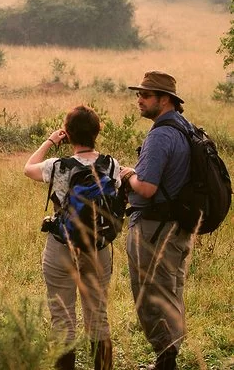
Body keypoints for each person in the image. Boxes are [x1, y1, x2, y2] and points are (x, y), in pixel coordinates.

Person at [24, 105, 119, 370]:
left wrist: (51, 141)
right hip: (98, 248)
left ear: (68, 134)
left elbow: (27, 168)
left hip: (61, 247)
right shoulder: (111, 165)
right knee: (98, 317)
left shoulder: (57, 167)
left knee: (62, 318)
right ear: (98, 131)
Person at [119, 71, 193, 370]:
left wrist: (128, 174)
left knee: (151, 295)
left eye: (145, 95)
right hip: (177, 226)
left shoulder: (161, 134)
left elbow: (147, 187)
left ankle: (166, 360)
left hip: (155, 229)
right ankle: (170, 354)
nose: (139, 100)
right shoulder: (186, 128)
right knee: (170, 290)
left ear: (164, 100)